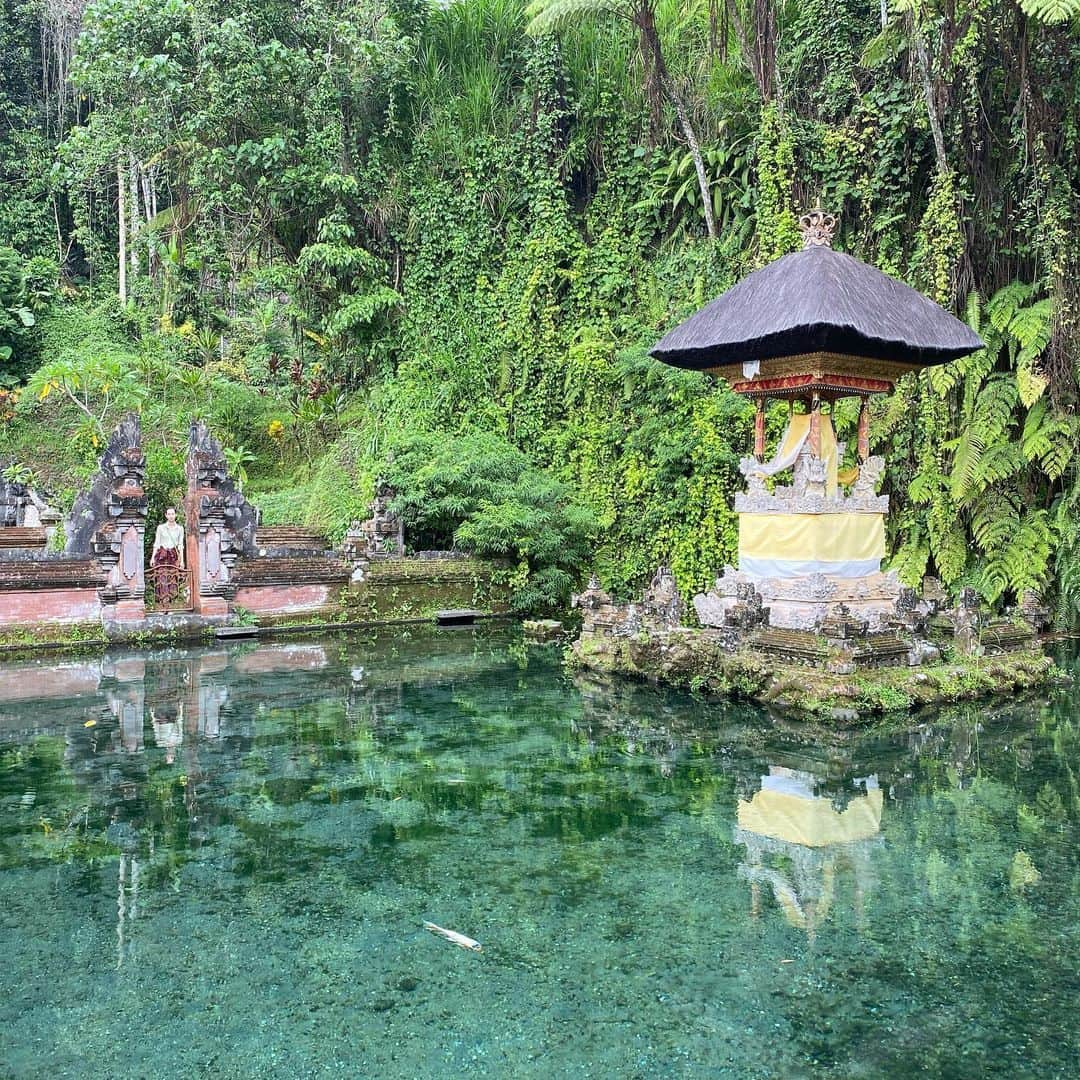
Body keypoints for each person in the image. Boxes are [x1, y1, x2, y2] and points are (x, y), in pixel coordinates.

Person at [151, 507, 185, 604]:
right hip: (162, 555)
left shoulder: (180, 529)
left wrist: (182, 560)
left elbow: (180, 545)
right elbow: (157, 543)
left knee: (172, 578)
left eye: (173, 514)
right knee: (162, 579)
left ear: (176, 515)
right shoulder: (161, 528)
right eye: (169, 514)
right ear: (166, 515)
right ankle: (163, 603)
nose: (171, 516)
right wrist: (153, 557)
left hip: (173, 556)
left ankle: (171, 603)